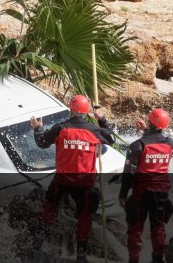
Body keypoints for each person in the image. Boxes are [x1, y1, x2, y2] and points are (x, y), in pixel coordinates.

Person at [30, 94, 116, 263]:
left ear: (71, 110)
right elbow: (112, 139)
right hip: (85, 182)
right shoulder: (94, 130)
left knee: (50, 208)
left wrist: (38, 128)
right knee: (84, 216)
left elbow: (42, 143)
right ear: (87, 113)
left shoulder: (61, 128)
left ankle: (37, 243)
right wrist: (102, 119)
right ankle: (81, 255)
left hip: (62, 179)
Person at [120, 108, 173, 263]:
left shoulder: (137, 145)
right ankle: (158, 259)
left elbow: (128, 173)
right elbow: (157, 141)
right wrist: (147, 130)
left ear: (150, 122)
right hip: (161, 193)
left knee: (135, 229)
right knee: (158, 228)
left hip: (141, 193)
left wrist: (123, 194)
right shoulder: (170, 143)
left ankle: (134, 259)